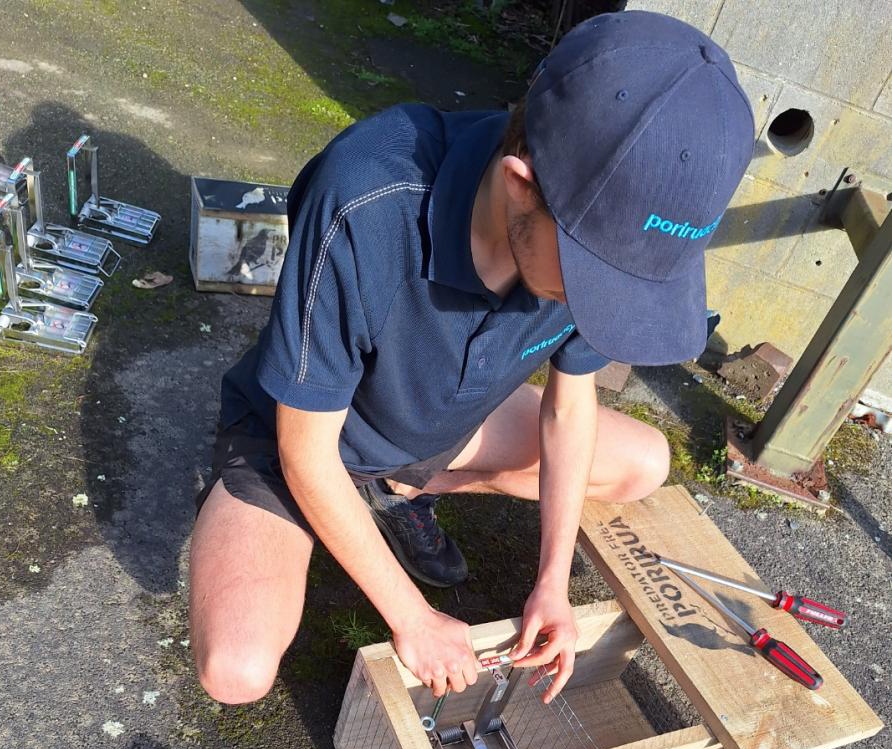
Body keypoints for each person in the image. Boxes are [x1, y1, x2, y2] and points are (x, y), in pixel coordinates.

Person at [189, 10, 754, 708]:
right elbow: (304, 451)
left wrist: (552, 581)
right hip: (309, 437)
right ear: (520, 184)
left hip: (446, 420)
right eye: (591, 280)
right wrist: (413, 618)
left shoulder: (600, 238)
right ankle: (342, 501)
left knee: (644, 463)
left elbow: (569, 407)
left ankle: (401, 491)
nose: (601, 304)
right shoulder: (365, 197)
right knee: (236, 670)